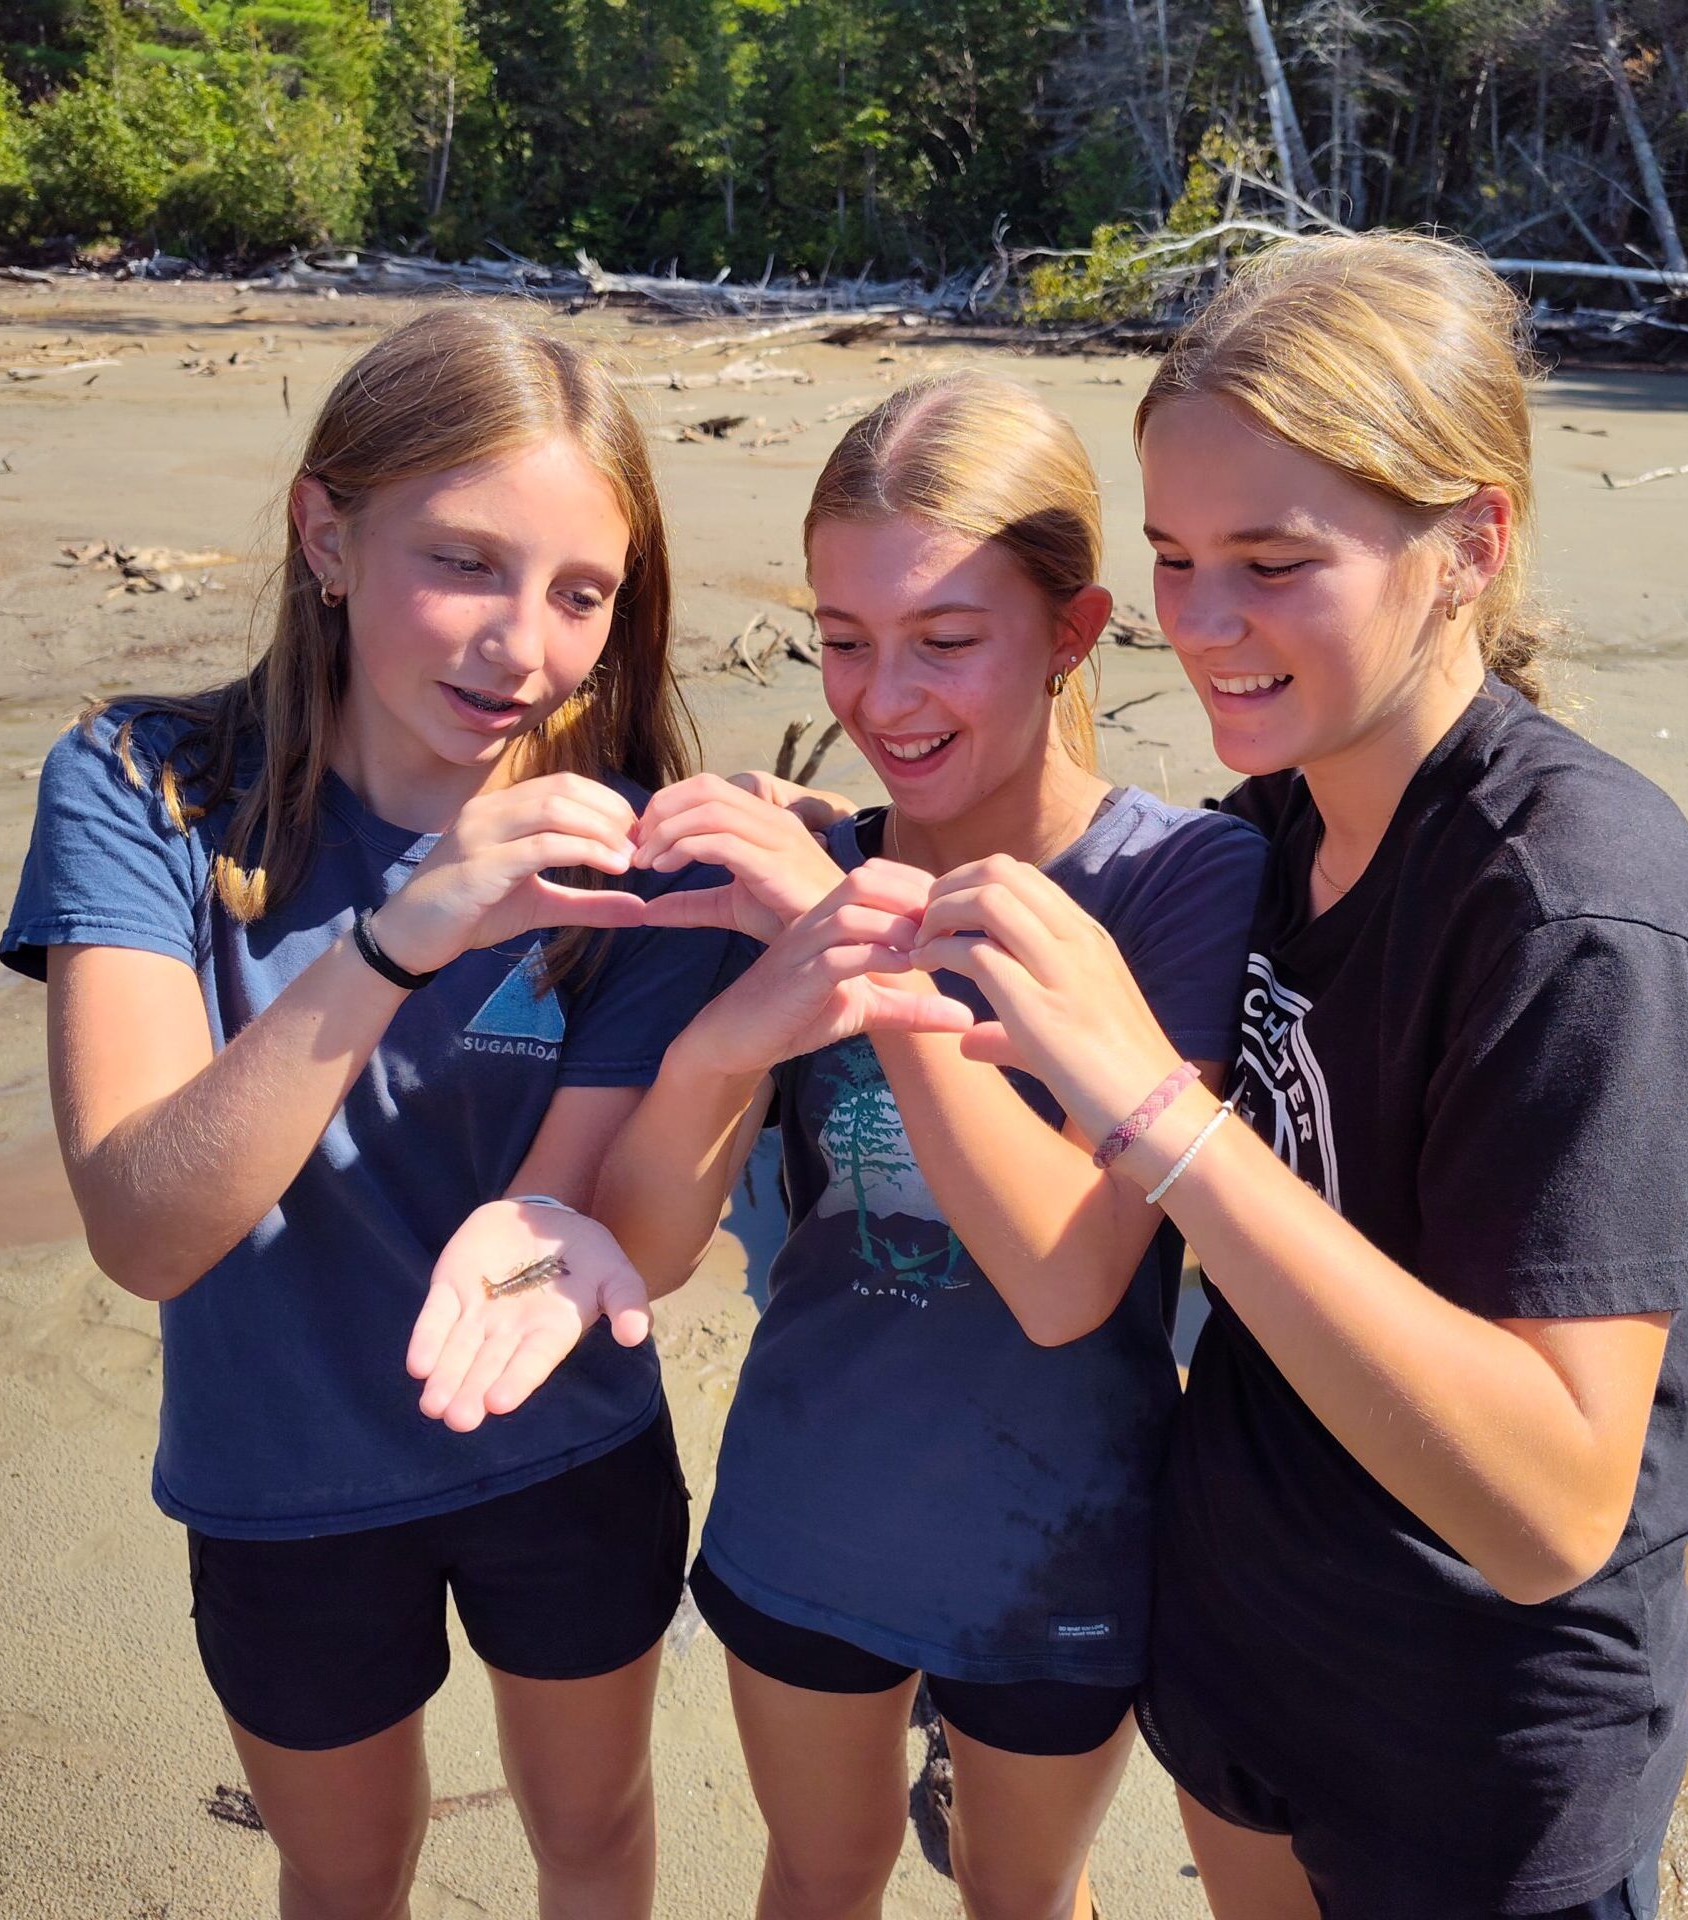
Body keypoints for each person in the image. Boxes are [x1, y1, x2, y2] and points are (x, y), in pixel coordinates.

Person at [887, 236, 1688, 1919]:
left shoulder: (1572, 910)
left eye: (1273, 563)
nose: (1201, 628)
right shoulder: (1268, 832)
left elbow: (1555, 1508)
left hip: (1475, 1747)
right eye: (1176, 559)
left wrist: (1163, 1117)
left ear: (1470, 543)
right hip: (1246, 1655)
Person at [412, 373, 1266, 1920]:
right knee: (819, 1872)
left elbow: (1069, 1281)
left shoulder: (1183, 879)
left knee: (1025, 1893)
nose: (885, 700)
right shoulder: (810, 864)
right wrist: (735, 1015)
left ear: (1074, 634)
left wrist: (849, 953)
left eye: (948, 641)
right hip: (809, 1513)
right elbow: (655, 1246)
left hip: (1069, 1534)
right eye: (845, 639)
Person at [0, 306, 737, 1920]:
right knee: (345, 1875)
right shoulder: (145, 790)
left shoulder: (635, 854)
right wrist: (405, 932)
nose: (522, 647)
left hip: (564, 1446)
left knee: (597, 1837)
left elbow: (599, 1203)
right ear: (326, 533)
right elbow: (144, 1221)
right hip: (282, 1474)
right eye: (465, 563)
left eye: (580, 592)